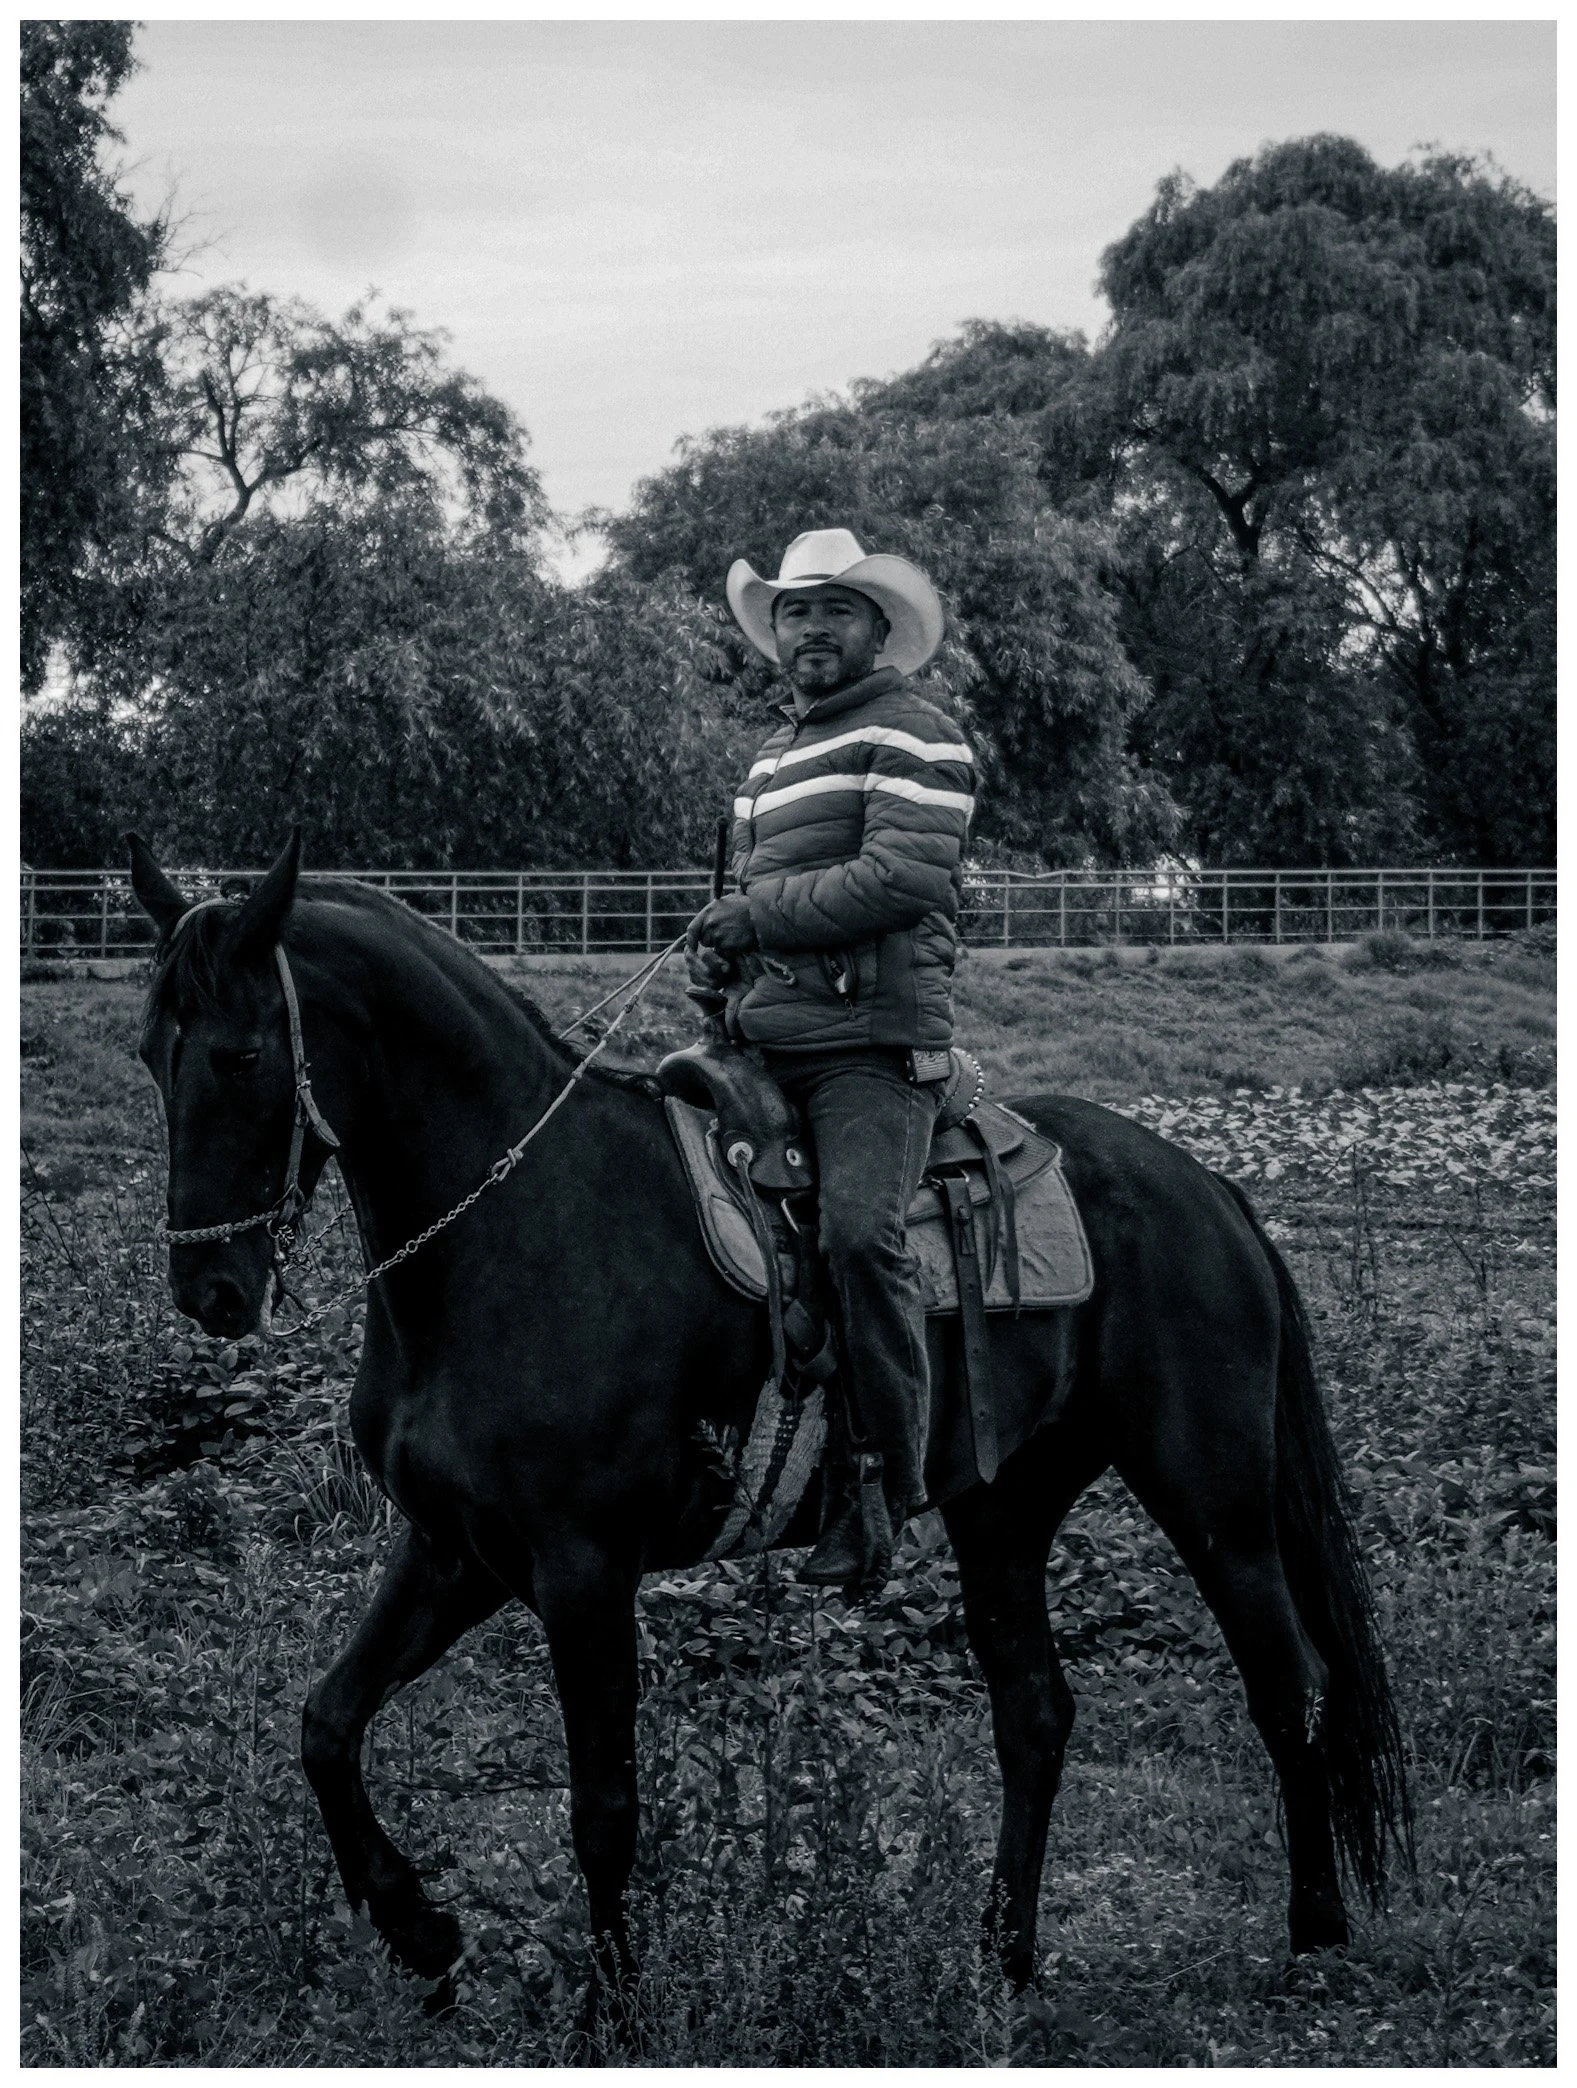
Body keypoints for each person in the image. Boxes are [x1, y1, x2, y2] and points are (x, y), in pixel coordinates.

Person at [686, 528, 974, 1582]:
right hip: (764, 1039)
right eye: (794, 611)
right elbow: (762, 904)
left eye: (832, 611)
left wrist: (751, 916)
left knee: (858, 1237)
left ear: (875, 627)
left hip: (867, 1047)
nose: (810, 627)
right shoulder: (773, 753)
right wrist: (722, 969)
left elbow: (900, 881)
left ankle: (887, 1485)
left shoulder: (917, 734)